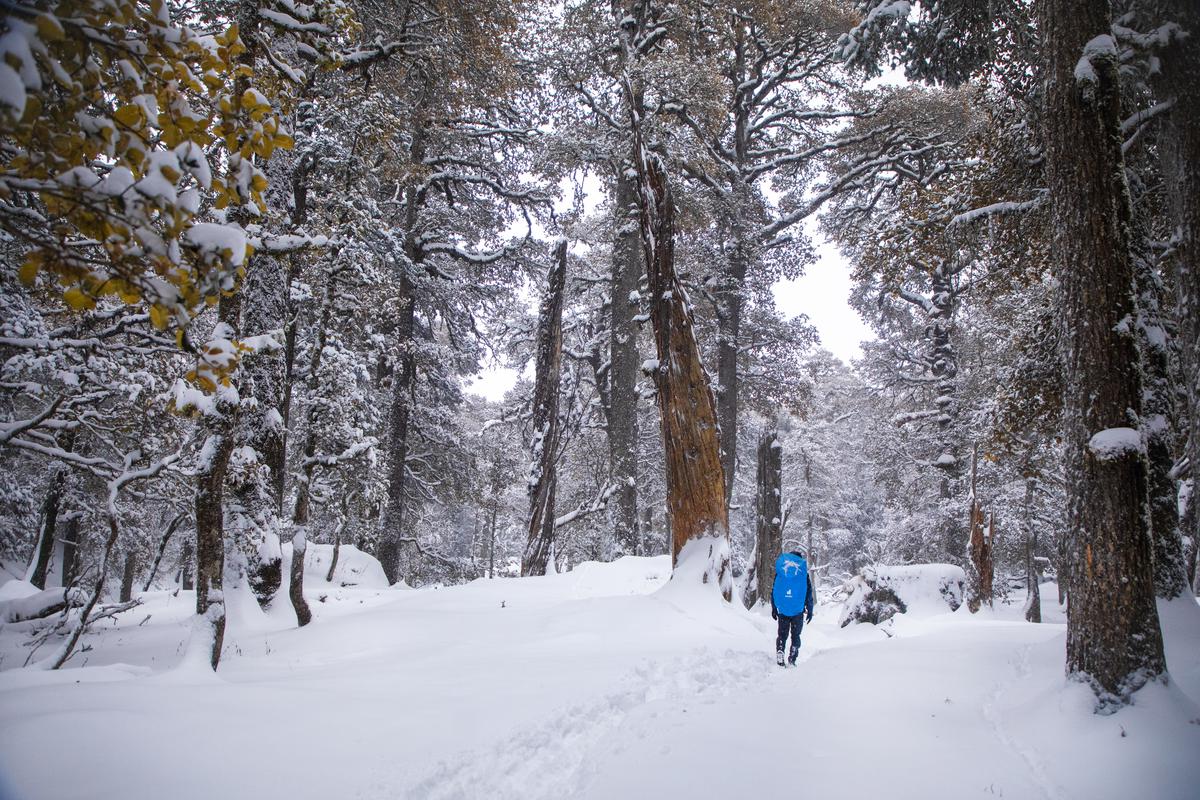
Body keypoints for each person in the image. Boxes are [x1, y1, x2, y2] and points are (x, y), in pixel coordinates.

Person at [771, 549, 815, 667]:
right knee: (795, 635)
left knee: (782, 634)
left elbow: (775, 590)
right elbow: (808, 593)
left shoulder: (781, 572)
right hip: (797, 610)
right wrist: (810, 609)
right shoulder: (802, 574)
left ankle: (780, 650)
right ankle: (792, 657)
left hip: (783, 609)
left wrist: (774, 607)